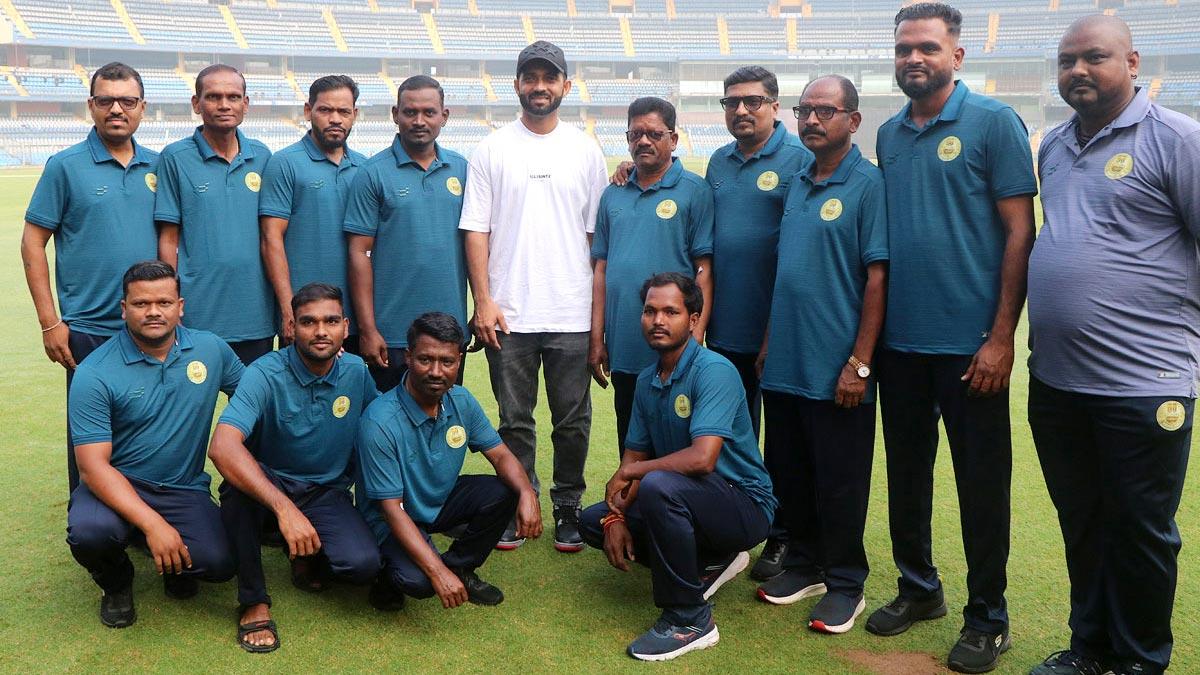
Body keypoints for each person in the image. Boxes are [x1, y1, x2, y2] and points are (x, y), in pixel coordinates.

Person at [1027, 16, 1200, 675]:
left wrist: (1181, 341)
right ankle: (1090, 647)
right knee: (1085, 524)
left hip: (1146, 384)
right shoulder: (1056, 145)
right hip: (1060, 382)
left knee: (1142, 531)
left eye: (1093, 58)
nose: (1077, 71)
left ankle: (1140, 659)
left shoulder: (1178, 139)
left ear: (1132, 60)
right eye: (1066, 60)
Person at [867, 4, 1037, 673]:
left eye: (928, 47)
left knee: (981, 486)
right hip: (901, 346)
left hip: (974, 350)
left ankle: (988, 617)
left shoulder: (993, 122)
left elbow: (1020, 233)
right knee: (907, 478)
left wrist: (1001, 337)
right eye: (905, 47)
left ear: (956, 56)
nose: (914, 58)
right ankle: (919, 588)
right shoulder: (887, 134)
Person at [579, 273, 776, 662]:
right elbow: (632, 458)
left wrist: (636, 474)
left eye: (671, 311)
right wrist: (615, 518)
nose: (658, 320)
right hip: (687, 500)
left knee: (658, 487)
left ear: (694, 318)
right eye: (650, 311)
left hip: (744, 505)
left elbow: (702, 459)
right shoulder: (647, 379)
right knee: (593, 521)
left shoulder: (714, 371)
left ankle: (690, 619)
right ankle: (711, 560)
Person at [459, 41, 607, 552]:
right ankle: (518, 500)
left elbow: (596, 240)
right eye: (530, 77)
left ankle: (568, 504)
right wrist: (484, 301)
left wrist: (596, 318)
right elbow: (475, 230)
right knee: (514, 421)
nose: (539, 86)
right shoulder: (493, 148)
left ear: (566, 85)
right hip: (509, 313)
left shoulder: (585, 149)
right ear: (517, 84)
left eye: (550, 77)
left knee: (572, 421)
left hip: (570, 311)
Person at [754, 76, 888, 636]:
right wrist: (766, 346)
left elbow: (877, 278)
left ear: (853, 121)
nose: (812, 120)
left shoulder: (868, 184)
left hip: (838, 367)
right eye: (805, 111)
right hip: (785, 361)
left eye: (825, 111)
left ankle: (845, 581)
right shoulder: (797, 182)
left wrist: (859, 363)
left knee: (840, 479)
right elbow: (789, 272)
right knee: (789, 469)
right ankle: (805, 564)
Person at [65, 261, 242, 629]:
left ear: (180, 306)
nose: (153, 312)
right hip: (115, 484)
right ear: (123, 309)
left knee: (220, 563)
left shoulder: (210, 350)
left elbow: (256, 394)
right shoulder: (94, 372)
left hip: (181, 488)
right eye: (141, 304)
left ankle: (174, 560)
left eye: (163, 302)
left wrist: (312, 358)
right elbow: (93, 468)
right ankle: (116, 582)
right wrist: (154, 525)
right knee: (89, 534)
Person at [208, 283, 380, 653]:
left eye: (331, 321)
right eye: (309, 322)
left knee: (362, 566)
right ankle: (254, 600)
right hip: (267, 488)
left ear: (346, 327)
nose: (321, 331)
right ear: (291, 327)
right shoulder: (264, 373)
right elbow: (222, 447)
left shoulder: (356, 371)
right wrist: (285, 509)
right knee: (236, 490)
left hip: (324, 492)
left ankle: (304, 555)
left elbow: (381, 428)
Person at [21, 62, 159, 495]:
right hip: (87, 333)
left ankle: (144, 519)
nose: (116, 109)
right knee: (90, 439)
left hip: (151, 328)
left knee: (148, 432)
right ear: (91, 106)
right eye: (106, 101)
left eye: (127, 101)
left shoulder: (160, 165)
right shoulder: (65, 166)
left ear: (142, 108)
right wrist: (50, 322)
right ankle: (94, 532)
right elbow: (31, 244)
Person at [356, 313, 541, 611]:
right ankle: (385, 576)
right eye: (425, 360)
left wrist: (527, 493)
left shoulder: (461, 401)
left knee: (505, 490)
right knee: (420, 582)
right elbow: (391, 510)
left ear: (459, 361)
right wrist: (435, 571)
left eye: (447, 362)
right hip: (390, 520)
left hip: (435, 502)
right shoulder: (379, 421)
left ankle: (460, 568)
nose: (436, 372)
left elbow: (502, 454)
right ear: (408, 357)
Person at [589, 96, 713, 455]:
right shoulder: (613, 194)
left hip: (674, 344)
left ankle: (675, 510)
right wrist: (598, 339)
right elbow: (601, 269)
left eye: (654, 134)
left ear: (673, 139)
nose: (644, 141)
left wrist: (697, 335)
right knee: (630, 435)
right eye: (636, 133)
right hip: (625, 345)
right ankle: (630, 508)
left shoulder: (694, 191)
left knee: (677, 439)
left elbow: (704, 270)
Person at [344, 75, 468, 392]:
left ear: (445, 116)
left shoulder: (462, 169)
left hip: (450, 333)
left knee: (442, 422)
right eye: (410, 112)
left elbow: (479, 244)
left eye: (429, 112)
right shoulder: (372, 173)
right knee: (387, 425)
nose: (419, 121)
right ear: (395, 114)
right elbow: (359, 253)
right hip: (392, 335)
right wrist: (368, 329)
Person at [156, 63, 275, 365]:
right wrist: (171, 304)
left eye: (233, 97)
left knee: (256, 409)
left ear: (245, 104)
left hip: (256, 316)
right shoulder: (175, 157)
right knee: (193, 410)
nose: (224, 104)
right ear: (196, 104)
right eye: (213, 97)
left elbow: (272, 236)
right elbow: (169, 240)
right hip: (198, 316)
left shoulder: (262, 156)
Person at [259, 76, 364, 348]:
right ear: (308, 111)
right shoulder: (284, 164)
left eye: (343, 111)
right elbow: (271, 239)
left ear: (355, 114)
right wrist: (288, 309)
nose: (335, 119)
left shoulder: (366, 168)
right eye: (325, 110)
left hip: (353, 316)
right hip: (304, 317)